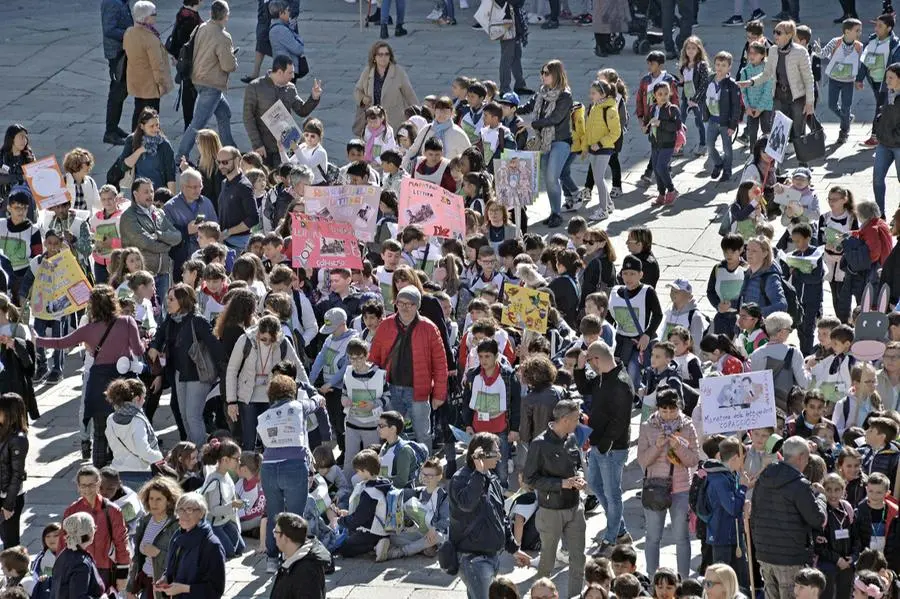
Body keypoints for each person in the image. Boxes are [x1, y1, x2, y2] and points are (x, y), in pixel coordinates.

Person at [35, 287, 144, 468]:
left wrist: (36, 339)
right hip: (124, 381)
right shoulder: (127, 322)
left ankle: (100, 472)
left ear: (92, 307)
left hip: (99, 382)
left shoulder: (87, 329)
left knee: (100, 432)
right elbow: (139, 350)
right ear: (113, 302)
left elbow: (61, 342)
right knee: (126, 428)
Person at [449, 432, 530, 599]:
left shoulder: (490, 477)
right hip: (473, 560)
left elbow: (501, 515)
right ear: (481, 455)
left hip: (491, 556)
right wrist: (478, 474)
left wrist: (514, 548)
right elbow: (466, 504)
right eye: (496, 451)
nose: (500, 456)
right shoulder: (460, 479)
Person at [258, 372, 324, 573]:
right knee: (295, 515)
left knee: (274, 514)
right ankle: (293, 557)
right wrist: (317, 395)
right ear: (291, 392)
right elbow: (316, 403)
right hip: (294, 466)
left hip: (268, 467)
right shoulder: (298, 407)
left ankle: (272, 559)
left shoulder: (263, 416)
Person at [369, 286, 448, 453]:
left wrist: (439, 394)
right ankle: (392, 468)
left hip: (418, 390)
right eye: (401, 303)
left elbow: (440, 364)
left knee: (422, 435)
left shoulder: (429, 328)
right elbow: (374, 357)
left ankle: (425, 473)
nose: (404, 307)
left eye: (410, 304)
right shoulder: (386, 325)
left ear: (417, 306)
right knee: (390, 433)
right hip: (390, 389)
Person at [575, 341, 634, 555]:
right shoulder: (602, 377)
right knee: (595, 485)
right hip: (599, 444)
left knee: (612, 494)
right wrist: (579, 368)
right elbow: (584, 387)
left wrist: (606, 443)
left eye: (590, 362)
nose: (590, 367)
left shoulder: (621, 383)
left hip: (612, 448)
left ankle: (610, 540)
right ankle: (621, 531)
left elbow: (621, 420)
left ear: (597, 359)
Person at [523, 399, 587, 596]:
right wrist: (560, 484)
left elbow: (576, 463)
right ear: (565, 419)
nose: (580, 421)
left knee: (578, 560)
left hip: (575, 506)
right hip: (551, 510)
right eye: (577, 418)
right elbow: (530, 479)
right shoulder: (539, 444)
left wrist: (580, 477)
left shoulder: (573, 437)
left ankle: (575, 595)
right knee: (547, 561)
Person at [751, 436, 828, 599]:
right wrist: (820, 497)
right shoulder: (799, 484)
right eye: (807, 458)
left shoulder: (764, 477)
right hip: (790, 557)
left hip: (765, 555)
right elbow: (817, 519)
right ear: (800, 457)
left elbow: (755, 514)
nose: (807, 463)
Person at [149, 284, 224, 446]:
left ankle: (200, 455)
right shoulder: (171, 318)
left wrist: (224, 373)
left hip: (198, 373)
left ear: (182, 301)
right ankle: (193, 451)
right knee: (184, 415)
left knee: (193, 416)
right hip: (179, 373)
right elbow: (160, 333)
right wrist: (154, 345)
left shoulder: (198, 321)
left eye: (171, 299)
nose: (167, 302)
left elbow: (215, 347)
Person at [637, 388, 698, 578]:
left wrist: (678, 447)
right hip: (655, 488)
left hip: (681, 488)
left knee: (682, 538)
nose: (669, 415)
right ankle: (653, 578)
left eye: (673, 410)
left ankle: (683, 579)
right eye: (664, 411)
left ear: (679, 407)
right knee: (653, 537)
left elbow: (693, 460)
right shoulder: (648, 427)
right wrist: (657, 446)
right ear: (658, 409)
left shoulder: (687, 426)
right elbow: (643, 461)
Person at [737, 21, 816, 166]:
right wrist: (751, 82)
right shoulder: (772, 50)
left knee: (798, 133)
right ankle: (774, 169)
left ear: (789, 35)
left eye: (779, 33)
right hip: (779, 97)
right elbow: (766, 74)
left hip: (797, 98)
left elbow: (808, 79)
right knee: (778, 134)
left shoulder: (800, 52)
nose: (775, 35)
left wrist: (809, 102)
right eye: (774, 31)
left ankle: (803, 167)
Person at [225, 315, 308, 450]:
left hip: (271, 396)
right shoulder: (245, 340)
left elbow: (297, 367)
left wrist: (309, 390)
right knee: (249, 441)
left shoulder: (283, 343)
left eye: (271, 340)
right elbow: (232, 370)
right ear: (257, 332)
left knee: (271, 441)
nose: (267, 342)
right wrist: (231, 401)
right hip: (248, 396)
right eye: (263, 339)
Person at [177, 0, 238, 161]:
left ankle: (232, 150)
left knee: (224, 114)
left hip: (198, 79)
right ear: (225, 16)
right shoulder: (223, 37)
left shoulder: (202, 27)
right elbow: (228, 65)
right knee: (197, 123)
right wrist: (233, 59)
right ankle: (179, 157)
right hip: (212, 84)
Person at [517, 60, 573, 228]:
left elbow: (554, 119)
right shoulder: (542, 92)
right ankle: (554, 211)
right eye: (542, 73)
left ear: (556, 74)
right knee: (548, 180)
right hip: (543, 142)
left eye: (546, 73)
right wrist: (510, 107)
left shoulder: (565, 96)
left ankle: (557, 213)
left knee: (551, 177)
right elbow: (528, 106)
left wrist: (531, 125)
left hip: (560, 141)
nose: (543, 76)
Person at [242, 55, 321, 169]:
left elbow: (302, 110)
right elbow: (248, 118)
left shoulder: (290, 88)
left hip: (285, 146)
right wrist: (257, 144)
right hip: (264, 147)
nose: (293, 76)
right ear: (279, 72)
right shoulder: (255, 87)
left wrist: (314, 97)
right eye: (290, 73)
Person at [60, 466, 131, 594]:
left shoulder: (112, 510)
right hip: (78, 568)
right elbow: (63, 543)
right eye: (83, 485)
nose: (87, 489)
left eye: (91, 485)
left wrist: (123, 573)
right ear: (78, 486)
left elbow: (121, 542)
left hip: (105, 569)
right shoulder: (72, 511)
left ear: (98, 484)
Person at [119, 177, 182, 311]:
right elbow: (146, 242)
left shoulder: (158, 213)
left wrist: (160, 235)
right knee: (144, 313)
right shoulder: (129, 217)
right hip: (142, 277)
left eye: (152, 191)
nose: (150, 195)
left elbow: (177, 236)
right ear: (135, 194)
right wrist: (167, 245)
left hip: (163, 273)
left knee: (162, 312)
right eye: (146, 192)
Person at [157, 492, 226, 598]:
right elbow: (175, 568)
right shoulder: (178, 536)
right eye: (180, 510)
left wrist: (184, 589)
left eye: (189, 510)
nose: (183, 515)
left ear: (202, 513)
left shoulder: (212, 545)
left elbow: (215, 590)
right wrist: (165, 578)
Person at [125, 477, 182, 599]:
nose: (154, 503)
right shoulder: (145, 521)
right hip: (145, 579)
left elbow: (181, 557)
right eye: (151, 498)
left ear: (169, 501)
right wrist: (130, 588)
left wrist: (159, 553)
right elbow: (137, 558)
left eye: (159, 499)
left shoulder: (176, 525)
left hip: (162, 585)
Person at [123, 2, 174, 132]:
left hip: (136, 81)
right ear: (146, 18)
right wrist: (161, 84)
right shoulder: (150, 39)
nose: (156, 17)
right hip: (150, 85)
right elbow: (157, 66)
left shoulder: (129, 32)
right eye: (154, 14)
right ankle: (149, 141)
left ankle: (134, 139)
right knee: (151, 116)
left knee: (138, 112)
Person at [105, 379, 163, 491]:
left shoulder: (110, 419)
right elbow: (143, 451)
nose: (144, 400)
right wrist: (159, 457)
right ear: (137, 399)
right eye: (144, 397)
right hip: (140, 474)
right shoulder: (137, 420)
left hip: (118, 472)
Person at [353, 43, 418, 138]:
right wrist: (363, 99)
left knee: (390, 149)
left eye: (386, 54)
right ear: (374, 57)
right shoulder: (368, 71)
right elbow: (357, 90)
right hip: (373, 121)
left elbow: (410, 95)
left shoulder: (398, 72)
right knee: (373, 149)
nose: (384, 57)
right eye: (380, 54)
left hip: (393, 121)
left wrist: (418, 116)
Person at [269, 513, 331, 599]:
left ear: (285, 537)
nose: (274, 536)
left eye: (276, 532)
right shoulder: (291, 559)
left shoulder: (305, 572)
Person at [119, 108, 177, 195]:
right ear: (142, 126)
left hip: (158, 193)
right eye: (151, 126)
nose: (156, 129)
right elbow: (124, 167)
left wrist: (171, 199)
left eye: (157, 125)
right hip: (139, 193)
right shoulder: (132, 140)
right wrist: (140, 150)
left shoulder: (164, 145)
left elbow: (170, 176)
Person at [101, 0, 134, 145]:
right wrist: (130, 33)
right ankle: (110, 131)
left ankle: (114, 127)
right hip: (117, 53)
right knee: (117, 92)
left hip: (123, 51)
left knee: (121, 91)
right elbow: (109, 29)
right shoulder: (112, 2)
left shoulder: (122, 2)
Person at [213, 146, 259, 251]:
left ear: (237, 160)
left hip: (239, 243)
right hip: (225, 242)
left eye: (225, 162)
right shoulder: (224, 183)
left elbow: (253, 218)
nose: (221, 166)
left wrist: (228, 232)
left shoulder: (244, 186)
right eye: (218, 162)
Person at [166, 0, 203, 128]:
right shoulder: (189, 18)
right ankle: (189, 124)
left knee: (189, 93)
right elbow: (183, 42)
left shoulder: (185, 13)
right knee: (189, 94)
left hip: (186, 60)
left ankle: (190, 123)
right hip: (189, 61)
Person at [52, 514, 107, 599]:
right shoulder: (81, 563)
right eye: (93, 528)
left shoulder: (65, 554)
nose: (95, 530)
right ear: (88, 532)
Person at [872, 63, 900, 217]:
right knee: (877, 179)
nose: (887, 81)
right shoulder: (889, 92)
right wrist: (879, 122)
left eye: (891, 77)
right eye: (886, 77)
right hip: (884, 144)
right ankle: (880, 214)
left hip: (898, 145)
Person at [0, 394, 27, 548]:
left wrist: (9, 505)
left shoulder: (18, 439)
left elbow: (17, 475)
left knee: (10, 543)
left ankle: (14, 572)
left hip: (8, 497)